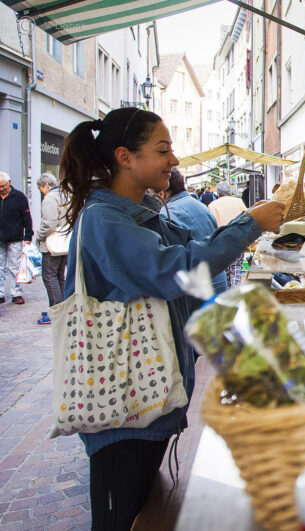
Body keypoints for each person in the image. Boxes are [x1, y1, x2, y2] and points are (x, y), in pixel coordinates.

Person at [58, 107, 284, 530]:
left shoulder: (141, 210)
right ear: (125, 157)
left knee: (147, 505)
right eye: (163, 150)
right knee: (122, 516)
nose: (174, 161)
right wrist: (251, 224)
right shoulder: (105, 220)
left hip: (148, 403)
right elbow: (177, 272)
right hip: (122, 412)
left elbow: (194, 253)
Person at [152, 168, 228, 294]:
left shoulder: (167, 214)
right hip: (218, 280)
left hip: (198, 290)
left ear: (162, 193)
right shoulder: (201, 206)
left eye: (150, 193)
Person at [34, 172, 69, 322]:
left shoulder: (50, 198)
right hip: (64, 242)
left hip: (52, 243)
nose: (41, 192)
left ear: (46, 185)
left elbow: (49, 223)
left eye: (40, 188)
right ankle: (62, 308)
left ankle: (55, 311)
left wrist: (38, 236)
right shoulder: (66, 195)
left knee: (49, 276)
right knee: (59, 275)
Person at [0, 171, 33, 305]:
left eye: (3, 186)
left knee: (14, 267)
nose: (1, 189)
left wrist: (28, 235)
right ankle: (0, 294)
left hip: (15, 238)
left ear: (9, 183)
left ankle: (16, 293)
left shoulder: (19, 197)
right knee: (0, 267)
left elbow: (26, 217)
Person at [208, 181, 248, 286]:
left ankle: (227, 292)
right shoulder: (239, 202)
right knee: (236, 269)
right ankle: (235, 293)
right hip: (239, 239)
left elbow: (211, 225)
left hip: (221, 242)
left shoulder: (213, 205)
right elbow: (247, 218)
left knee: (224, 271)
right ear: (230, 192)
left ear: (218, 193)